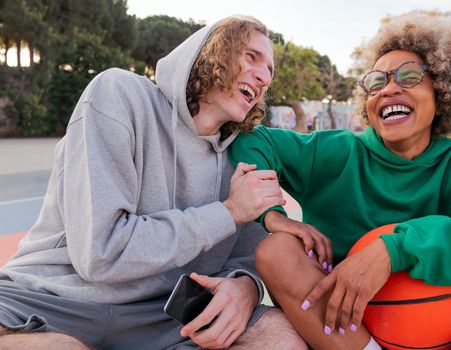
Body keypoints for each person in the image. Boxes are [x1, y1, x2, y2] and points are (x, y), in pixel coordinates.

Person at [0, 16, 309, 349]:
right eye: (251, 57)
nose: (263, 77)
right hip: (51, 298)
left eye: (269, 72)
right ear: (214, 50)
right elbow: (100, 255)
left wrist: (245, 286)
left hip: (166, 315)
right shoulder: (119, 94)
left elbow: (249, 254)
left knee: (281, 337)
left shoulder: (245, 149)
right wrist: (229, 212)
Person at [229, 11, 451, 350]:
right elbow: (250, 138)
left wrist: (393, 250)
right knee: (276, 250)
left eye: (409, 76)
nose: (389, 89)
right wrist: (273, 217)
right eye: (376, 82)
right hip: (349, 330)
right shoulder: (334, 152)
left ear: (443, 92)